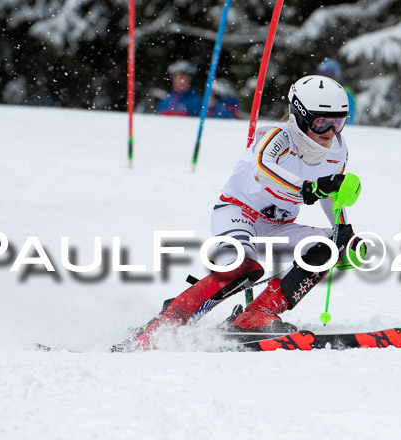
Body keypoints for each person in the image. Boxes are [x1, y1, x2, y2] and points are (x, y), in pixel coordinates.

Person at [133, 75, 359, 350]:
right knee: (244, 267)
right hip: (238, 213)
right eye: (322, 122)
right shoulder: (278, 137)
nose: (330, 132)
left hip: (278, 225)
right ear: (299, 115)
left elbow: (330, 192)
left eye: (338, 122)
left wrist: (342, 227)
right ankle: (171, 317)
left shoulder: (338, 149)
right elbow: (263, 170)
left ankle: (256, 315)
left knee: (330, 246)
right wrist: (308, 188)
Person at [316, 59, 358, 125]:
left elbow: (348, 122)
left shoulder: (345, 94)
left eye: (328, 75)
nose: (324, 79)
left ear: (336, 77)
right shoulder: (317, 93)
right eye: (321, 75)